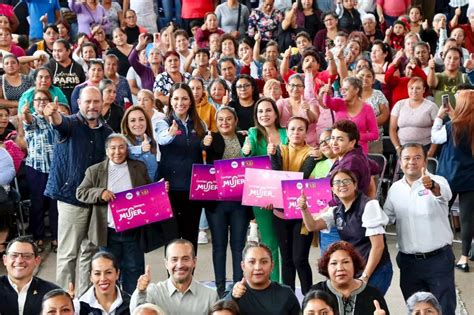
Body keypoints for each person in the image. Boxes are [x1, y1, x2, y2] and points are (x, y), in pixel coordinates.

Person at [44, 86, 113, 296]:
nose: (92, 106)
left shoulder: (107, 132)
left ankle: (84, 299)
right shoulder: (70, 123)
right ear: (79, 103)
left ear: (102, 104)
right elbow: (59, 123)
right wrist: (54, 114)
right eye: (88, 102)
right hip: (70, 199)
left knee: (89, 253)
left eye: (96, 102)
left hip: (94, 201)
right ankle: (63, 301)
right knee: (68, 254)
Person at [383, 143, 456, 314]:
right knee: (415, 310)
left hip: (438, 261)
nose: (412, 162)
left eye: (417, 158)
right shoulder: (395, 189)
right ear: (400, 162)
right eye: (407, 158)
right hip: (408, 262)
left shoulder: (438, 181)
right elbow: (386, 217)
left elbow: (443, 194)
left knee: (444, 309)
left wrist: (431, 186)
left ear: (425, 161)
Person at [76, 133, 152, 293]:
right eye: (113, 148)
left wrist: (159, 191)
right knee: (108, 275)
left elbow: (148, 192)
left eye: (121, 147)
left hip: (133, 232)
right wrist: (100, 193)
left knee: (134, 272)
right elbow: (80, 193)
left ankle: (132, 306)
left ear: (127, 149)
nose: (117, 151)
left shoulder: (139, 167)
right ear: (106, 150)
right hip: (107, 233)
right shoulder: (95, 171)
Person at [299, 169, 393, 295]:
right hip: (357, 269)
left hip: (376, 270)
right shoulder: (337, 210)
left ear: (355, 185)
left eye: (346, 181)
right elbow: (312, 226)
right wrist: (304, 209)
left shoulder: (369, 206)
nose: (342, 185)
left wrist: (365, 277)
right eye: (337, 182)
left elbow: (378, 246)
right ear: (332, 189)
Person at [202, 106, 249, 297]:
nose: (224, 122)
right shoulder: (211, 138)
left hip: (239, 201)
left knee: (238, 245)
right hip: (217, 203)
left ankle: (239, 287)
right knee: (219, 245)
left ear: (235, 121)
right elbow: (202, 155)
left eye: (229, 119)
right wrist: (203, 145)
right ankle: (220, 289)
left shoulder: (244, 138)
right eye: (220, 119)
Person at [155, 83, 206, 252]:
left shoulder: (200, 125)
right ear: (170, 101)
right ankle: (172, 279)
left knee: (191, 239)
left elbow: (204, 151)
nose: (180, 102)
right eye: (176, 98)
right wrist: (170, 133)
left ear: (191, 101)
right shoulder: (162, 122)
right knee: (172, 242)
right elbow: (162, 139)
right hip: (169, 189)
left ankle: (189, 278)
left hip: (193, 189)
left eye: (184, 98)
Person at [268, 116, 316, 295]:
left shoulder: (313, 153)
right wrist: (272, 156)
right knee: (286, 260)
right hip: (280, 214)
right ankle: (287, 298)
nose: (296, 132)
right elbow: (276, 176)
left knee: (299, 259)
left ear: (306, 132)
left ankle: (309, 298)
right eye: (293, 129)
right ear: (286, 132)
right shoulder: (279, 150)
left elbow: (302, 177)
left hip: (302, 216)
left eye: (300, 129)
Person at [242, 97, 288, 283]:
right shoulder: (253, 133)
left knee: (286, 245)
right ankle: (274, 284)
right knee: (269, 242)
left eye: (268, 110)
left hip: (285, 193)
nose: (264, 114)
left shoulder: (286, 132)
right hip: (261, 195)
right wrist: (246, 150)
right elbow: (247, 155)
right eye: (260, 111)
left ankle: (288, 287)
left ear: (276, 113)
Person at [432, 89, 474, 272]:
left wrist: (440, 117)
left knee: (441, 214)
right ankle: (464, 257)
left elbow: (435, 137)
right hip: (471, 178)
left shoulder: (451, 126)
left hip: (449, 177)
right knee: (467, 219)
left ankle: (438, 251)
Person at [130, 239, 218, 315]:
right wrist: (140, 291)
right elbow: (136, 312)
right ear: (166, 264)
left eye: (185, 259)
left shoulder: (210, 297)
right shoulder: (153, 293)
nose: (180, 265)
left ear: (194, 262)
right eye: (174, 259)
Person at [22, 89, 59, 253]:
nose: (41, 102)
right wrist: (25, 114)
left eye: (45, 99)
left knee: (54, 206)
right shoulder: (33, 119)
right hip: (36, 168)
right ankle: (38, 237)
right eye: (38, 100)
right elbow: (28, 121)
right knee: (37, 204)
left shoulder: (56, 119)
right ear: (33, 103)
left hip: (55, 169)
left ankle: (57, 237)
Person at [310, 241, 390, 314]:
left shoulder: (373, 295)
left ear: (354, 265)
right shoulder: (316, 293)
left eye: (345, 262)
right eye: (334, 263)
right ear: (326, 267)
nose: (340, 268)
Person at [226, 241, 300, 314]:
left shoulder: (286, 294)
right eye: (252, 262)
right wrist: (233, 297)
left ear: (272, 265)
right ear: (243, 266)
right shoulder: (232, 292)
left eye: (264, 262)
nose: (258, 268)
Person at [0, 236, 59, 315]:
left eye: (27, 256)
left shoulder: (52, 294)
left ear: (36, 261)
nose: (19, 260)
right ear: (5, 260)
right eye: (14, 255)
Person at [321, 77, 378, 154]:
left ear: (356, 90)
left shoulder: (367, 109)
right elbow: (327, 103)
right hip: (339, 151)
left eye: (346, 89)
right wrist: (326, 93)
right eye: (342, 90)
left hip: (359, 151)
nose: (343, 92)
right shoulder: (339, 103)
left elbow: (374, 135)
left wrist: (354, 136)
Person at [389, 77, 438, 157]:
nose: (414, 91)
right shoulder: (399, 104)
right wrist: (398, 148)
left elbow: (437, 131)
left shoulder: (431, 106)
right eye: (411, 88)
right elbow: (392, 129)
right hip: (403, 147)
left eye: (418, 88)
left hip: (424, 147)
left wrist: (431, 151)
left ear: (424, 90)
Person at [277, 73, 320, 146]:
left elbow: (314, 119)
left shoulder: (310, 101)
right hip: (286, 146)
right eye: (292, 85)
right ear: (287, 87)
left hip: (309, 146)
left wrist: (307, 110)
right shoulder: (281, 103)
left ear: (304, 88)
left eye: (299, 86)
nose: (295, 88)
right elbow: (273, 118)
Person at [120, 106, 158, 181]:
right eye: (133, 120)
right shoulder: (121, 140)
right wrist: (141, 149)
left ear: (146, 121)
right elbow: (126, 150)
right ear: (127, 124)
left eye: (141, 119)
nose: (138, 124)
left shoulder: (151, 141)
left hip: (150, 190)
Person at [47, 38, 86, 104]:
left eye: (59, 51)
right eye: (54, 50)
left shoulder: (78, 67)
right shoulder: (49, 67)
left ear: (68, 51)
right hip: (55, 104)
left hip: (75, 104)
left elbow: (82, 85)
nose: (56, 54)